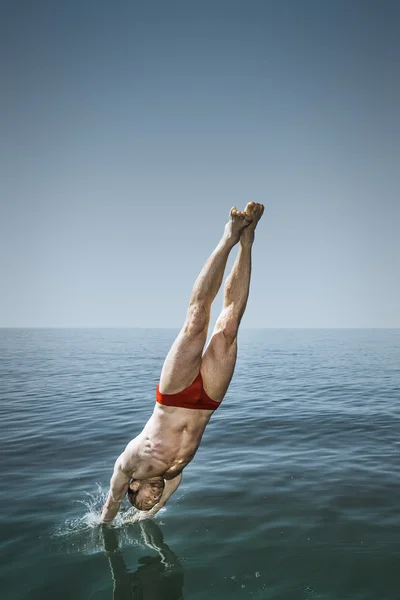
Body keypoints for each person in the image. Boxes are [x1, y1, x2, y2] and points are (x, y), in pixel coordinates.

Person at [101, 202, 264, 522]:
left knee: (197, 321)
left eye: (146, 500)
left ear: (134, 487)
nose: (155, 498)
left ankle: (228, 237)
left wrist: (105, 530)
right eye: (154, 502)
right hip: (207, 402)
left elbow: (110, 505)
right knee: (229, 327)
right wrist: (149, 525)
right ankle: (247, 244)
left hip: (173, 396)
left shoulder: (127, 467)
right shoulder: (173, 478)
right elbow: (151, 515)